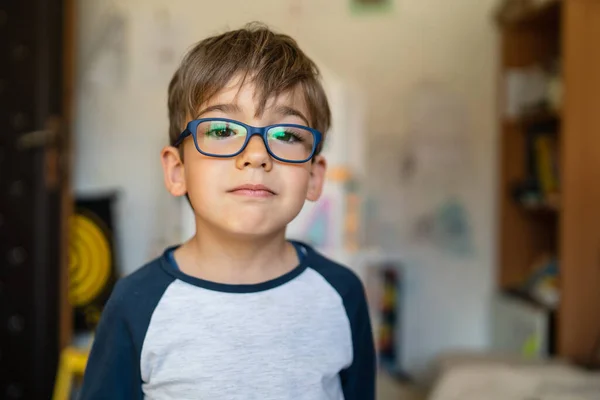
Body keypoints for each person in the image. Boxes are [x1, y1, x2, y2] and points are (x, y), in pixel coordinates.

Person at [80, 23, 376, 400]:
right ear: (177, 170)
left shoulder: (342, 294)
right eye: (221, 130)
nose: (256, 155)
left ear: (315, 176)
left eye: (287, 135)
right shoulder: (137, 302)